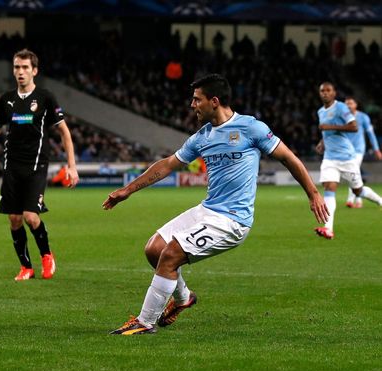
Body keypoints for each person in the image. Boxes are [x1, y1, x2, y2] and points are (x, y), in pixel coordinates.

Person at [104, 74, 328, 335]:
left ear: (215, 101)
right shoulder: (202, 137)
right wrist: (128, 190)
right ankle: (184, 298)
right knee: (154, 249)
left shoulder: (250, 128)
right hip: (208, 209)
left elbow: (288, 158)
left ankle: (144, 322)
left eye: (197, 99)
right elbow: (168, 164)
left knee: (170, 255)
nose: (192, 105)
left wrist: (313, 193)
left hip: (232, 220)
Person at [0, 49, 79, 281]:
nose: (20, 72)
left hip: (36, 165)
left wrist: (71, 165)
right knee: (14, 219)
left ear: (34, 71)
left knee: (31, 217)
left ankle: (47, 255)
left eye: (25, 67)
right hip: (12, 167)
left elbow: (64, 132)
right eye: (17, 67)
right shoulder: (6, 100)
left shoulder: (45, 98)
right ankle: (26, 267)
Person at [314, 83, 382, 239]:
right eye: (322, 91)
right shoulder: (320, 111)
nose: (325, 93)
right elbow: (327, 131)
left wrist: (328, 127)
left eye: (328, 90)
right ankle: (328, 229)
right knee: (329, 188)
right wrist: (322, 142)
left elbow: (354, 127)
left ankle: (380, 200)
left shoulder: (341, 108)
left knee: (358, 190)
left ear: (334, 93)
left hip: (346, 157)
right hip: (330, 158)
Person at [343, 97, 382, 208]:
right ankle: (358, 199)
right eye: (346, 104)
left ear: (356, 104)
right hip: (345, 150)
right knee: (352, 175)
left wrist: (376, 149)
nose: (348, 105)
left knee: (353, 173)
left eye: (350, 103)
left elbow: (371, 134)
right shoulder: (343, 117)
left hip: (358, 150)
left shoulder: (363, 117)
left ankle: (352, 200)